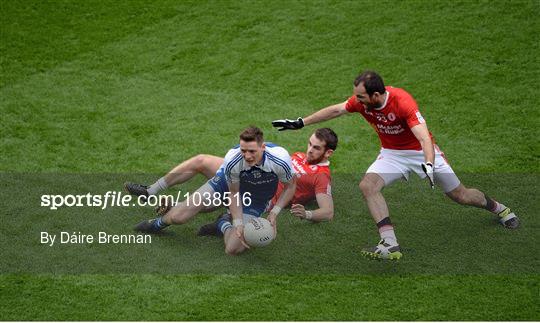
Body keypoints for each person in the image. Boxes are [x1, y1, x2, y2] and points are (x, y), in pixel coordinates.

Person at [272, 70, 520, 260]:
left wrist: (429, 165)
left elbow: (423, 138)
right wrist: (300, 122)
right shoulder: (361, 102)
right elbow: (337, 110)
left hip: (420, 153)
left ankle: (500, 209)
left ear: (376, 95)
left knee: (461, 195)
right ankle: (389, 243)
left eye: (361, 96)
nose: (356, 101)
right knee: (368, 186)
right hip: (392, 153)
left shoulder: (402, 102)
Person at [125, 128, 338, 232]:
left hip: (261, 193)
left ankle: (185, 210)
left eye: (316, 148)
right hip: (250, 172)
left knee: (214, 202)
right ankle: (151, 191)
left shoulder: (321, 176)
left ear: (327, 153)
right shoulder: (297, 156)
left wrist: (307, 213)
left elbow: (328, 212)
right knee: (201, 160)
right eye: (310, 144)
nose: (309, 150)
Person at [132, 126, 296, 255]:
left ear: (263, 147)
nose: (247, 156)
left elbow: (290, 186)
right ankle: (155, 225)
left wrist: (274, 213)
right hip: (227, 186)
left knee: (233, 249)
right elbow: (233, 193)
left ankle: (222, 222)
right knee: (179, 217)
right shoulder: (233, 160)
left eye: (252, 151)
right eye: (243, 150)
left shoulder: (279, 160)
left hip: (256, 199)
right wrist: (238, 223)